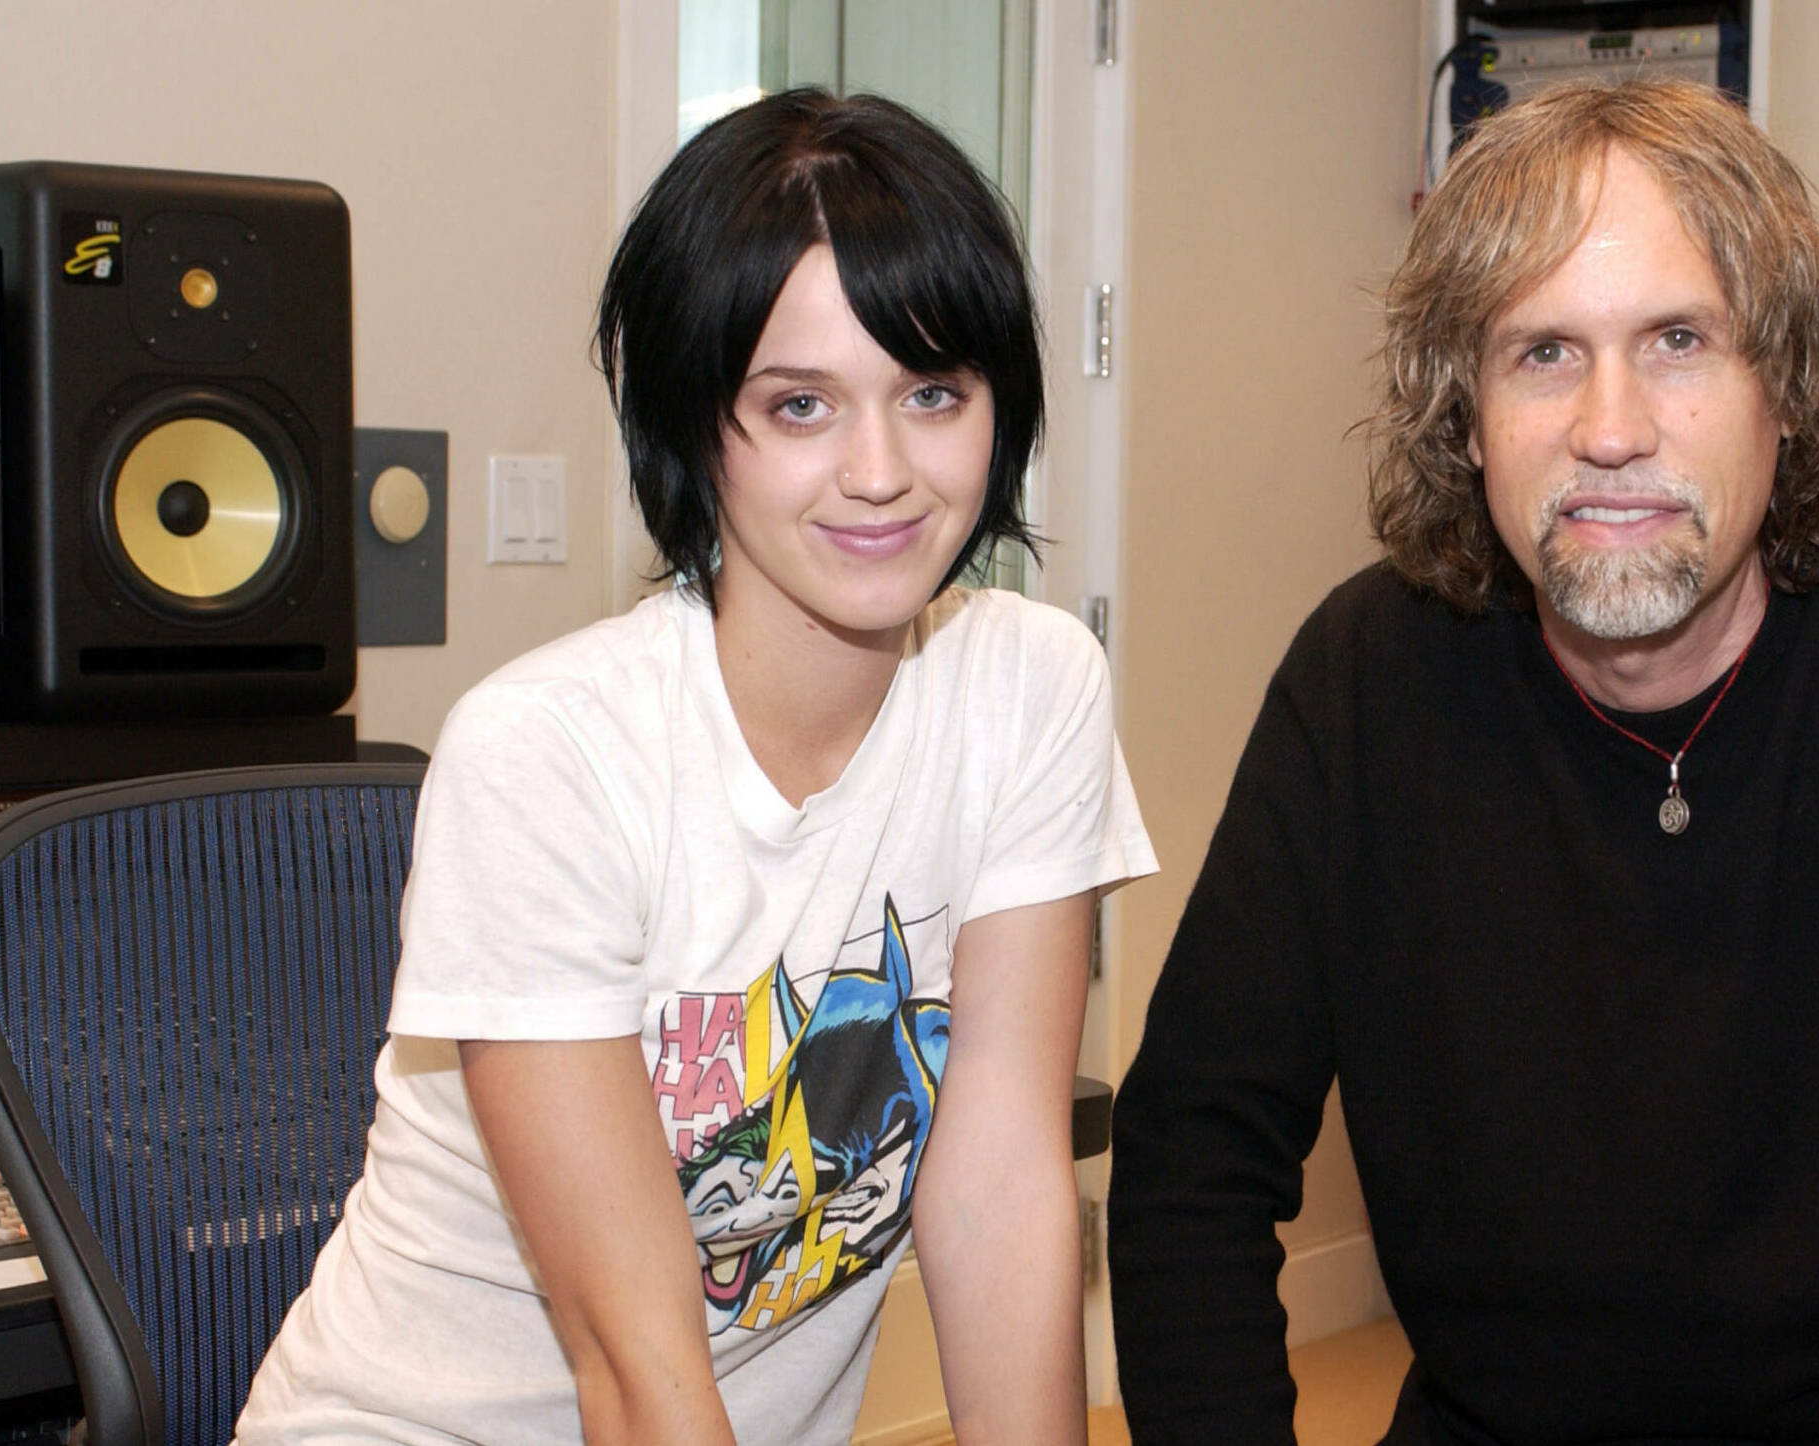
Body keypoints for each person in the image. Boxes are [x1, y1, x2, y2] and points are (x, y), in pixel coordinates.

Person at [1106, 78, 1819, 1446]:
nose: (1610, 425)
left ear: (1788, 392)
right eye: (1541, 352)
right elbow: (1189, 1160)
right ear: (1465, 418)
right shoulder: (1369, 679)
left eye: (1679, 340)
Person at [240, 88, 1155, 1445]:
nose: (883, 469)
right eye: (799, 405)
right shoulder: (545, 757)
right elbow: (636, 1361)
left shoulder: (1031, 689)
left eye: (932, 392)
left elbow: (1001, 1189)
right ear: (693, 424)